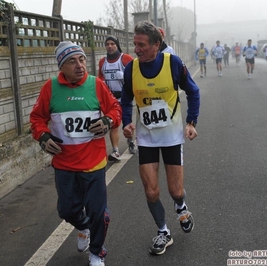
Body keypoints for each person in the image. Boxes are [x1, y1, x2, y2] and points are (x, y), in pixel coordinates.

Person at [30, 41, 122, 266]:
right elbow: (36, 119)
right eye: (72, 61)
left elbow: (115, 109)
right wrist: (42, 136)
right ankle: (82, 226)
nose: (80, 65)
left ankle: (96, 252)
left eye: (81, 59)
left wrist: (108, 120)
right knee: (67, 210)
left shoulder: (96, 84)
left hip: (94, 163)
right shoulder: (50, 88)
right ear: (61, 66)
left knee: (99, 213)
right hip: (65, 164)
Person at [121, 20, 200, 255]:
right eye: (134, 44)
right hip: (146, 139)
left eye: (142, 44)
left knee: (175, 190)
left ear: (157, 45)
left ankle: (181, 206)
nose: (136, 49)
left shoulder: (172, 63)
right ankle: (163, 232)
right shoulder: (131, 69)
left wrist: (191, 122)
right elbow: (126, 99)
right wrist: (126, 122)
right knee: (151, 191)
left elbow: (193, 91)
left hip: (173, 137)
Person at [98, 36, 136, 161]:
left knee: (127, 123)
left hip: (125, 98)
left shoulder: (126, 59)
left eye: (112, 44)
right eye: (107, 44)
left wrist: (125, 76)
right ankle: (115, 151)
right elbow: (101, 78)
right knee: (113, 124)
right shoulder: (102, 62)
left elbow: (136, 76)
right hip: (111, 99)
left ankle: (130, 141)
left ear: (117, 45)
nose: (110, 46)